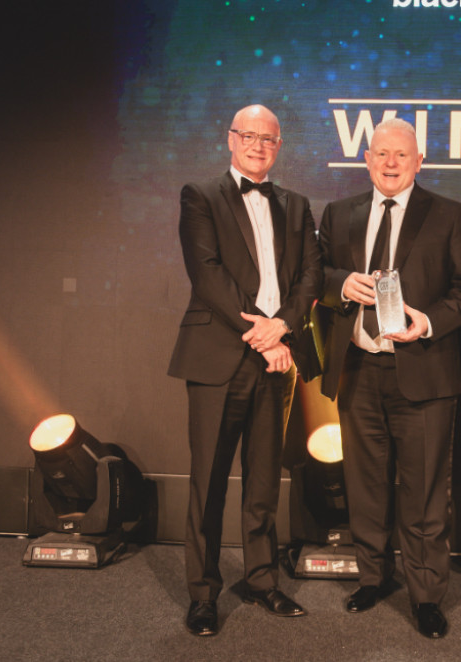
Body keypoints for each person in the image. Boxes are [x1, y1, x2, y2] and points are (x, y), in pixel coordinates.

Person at [318, 118, 461, 639]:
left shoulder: (449, 215)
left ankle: (427, 595)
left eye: (402, 155)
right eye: (382, 154)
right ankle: (373, 578)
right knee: (364, 488)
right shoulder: (339, 213)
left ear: (419, 163)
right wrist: (341, 282)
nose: (391, 163)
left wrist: (428, 321)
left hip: (425, 372)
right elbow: (313, 277)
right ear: (367, 159)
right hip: (359, 370)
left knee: (426, 493)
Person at [168, 104, 321, 636]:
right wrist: (262, 335)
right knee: (208, 482)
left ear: (279, 146)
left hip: (279, 358)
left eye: (269, 139)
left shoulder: (297, 205)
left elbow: (310, 276)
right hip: (221, 358)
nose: (258, 145)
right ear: (230, 139)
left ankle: (262, 580)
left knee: (263, 481)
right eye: (249, 136)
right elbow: (206, 274)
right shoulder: (200, 196)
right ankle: (203, 595)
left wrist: (283, 328)